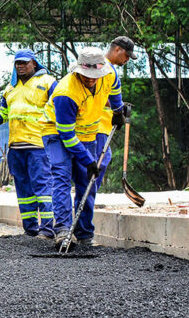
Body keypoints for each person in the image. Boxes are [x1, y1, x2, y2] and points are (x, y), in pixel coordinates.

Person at [39, 47, 126, 249]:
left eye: (95, 75)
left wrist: (118, 110)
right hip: (56, 131)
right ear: (78, 70)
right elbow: (67, 137)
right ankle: (62, 230)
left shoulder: (110, 75)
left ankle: (85, 233)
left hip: (87, 133)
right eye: (86, 76)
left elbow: (115, 91)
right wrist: (88, 160)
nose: (91, 79)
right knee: (61, 175)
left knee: (87, 181)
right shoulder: (65, 92)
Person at [0, 49, 57, 238]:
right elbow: (3, 115)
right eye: (17, 63)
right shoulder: (10, 89)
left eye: (24, 62)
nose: (20, 66)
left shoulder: (48, 82)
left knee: (43, 188)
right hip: (16, 148)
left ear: (34, 63)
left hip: (38, 145)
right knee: (24, 190)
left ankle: (48, 229)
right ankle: (30, 229)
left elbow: (59, 108)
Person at [95, 36, 136, 185]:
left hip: (103, 126)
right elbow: (98, 95)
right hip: (96, 126)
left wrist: (120, 107)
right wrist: (118, 107)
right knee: (99, 163)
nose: (127, 60)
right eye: (126, 55)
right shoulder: (104, 68)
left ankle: (87, 201)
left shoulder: (107, 68)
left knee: (101, 162)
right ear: (117, 49)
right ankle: (86, 203)